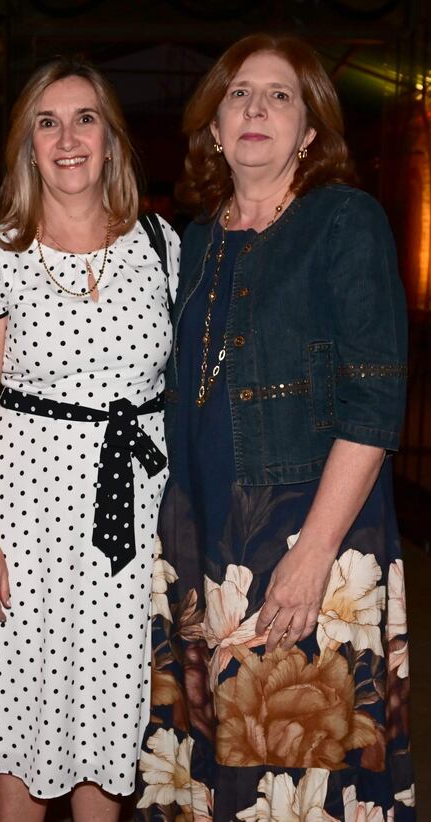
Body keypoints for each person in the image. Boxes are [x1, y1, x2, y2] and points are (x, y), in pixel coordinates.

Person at [135, 34, 415, 821]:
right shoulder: (196, 239)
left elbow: (374, 401)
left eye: (280, 95)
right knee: (215, 768)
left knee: (300, 773)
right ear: (214, 128)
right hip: (203, 540)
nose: (256, 108)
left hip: (307, 536)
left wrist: (313, 555)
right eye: (238, 94)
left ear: (310, 131)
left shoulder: (343, 222)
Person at [0, 57, 179, 821]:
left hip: (131, 517)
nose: (67, 137)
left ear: (111, 140)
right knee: (20, 700)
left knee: (106, 698)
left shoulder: (161, 245)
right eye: (48, 122)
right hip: (22, 514)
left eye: (85, 119)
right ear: (27, 145)